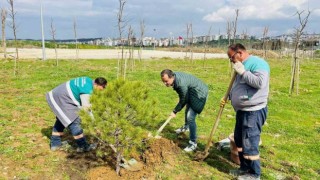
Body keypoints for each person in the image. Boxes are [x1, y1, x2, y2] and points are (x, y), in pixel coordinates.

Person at [221, 43, 270, 180]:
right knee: (239, 140)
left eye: (231, 57)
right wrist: (229, 96)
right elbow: (239, 86)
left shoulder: (258, 63)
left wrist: (243, 71)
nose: (231, 60)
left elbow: (260, 83)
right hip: (242, 110)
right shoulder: (240, 65)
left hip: (253, 111)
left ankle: (254, 174)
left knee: (250, 142)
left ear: (240, 53)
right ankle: (244, 168)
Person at [46, 76, 107, 152]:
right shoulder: (86, 91)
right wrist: (94, 124)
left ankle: (55, 144)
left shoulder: (88, 80)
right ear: (95, 84)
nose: (98, 92)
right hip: (60, 98)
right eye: (99, 90)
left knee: (63, 118)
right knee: (74, 120)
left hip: (57, 94)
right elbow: (86, 109)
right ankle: (83, 146)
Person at [160, 69, 208, 152]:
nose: (165, 84)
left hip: (200, 93)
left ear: (171, 77)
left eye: (166, 81)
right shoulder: (175, 78)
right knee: (188, 108)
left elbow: (183, 99)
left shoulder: (181, 84)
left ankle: (193, 143)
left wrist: (175, 111)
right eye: (163, 81)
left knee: (190, 117)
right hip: (192, 90)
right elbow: (184, 97)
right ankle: (186, 127)